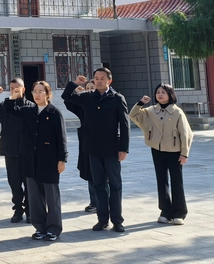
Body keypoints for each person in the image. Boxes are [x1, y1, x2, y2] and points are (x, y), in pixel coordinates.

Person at [64, 68, 130, 233]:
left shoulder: (117, 98)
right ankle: (102, 220)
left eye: (102, 78)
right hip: (93, 149)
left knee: (115, 185)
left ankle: (117, 220)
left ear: (109, 81)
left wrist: (123, 148)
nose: (99, 81)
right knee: (98, 184)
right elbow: (67, 97)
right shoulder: (87, 97)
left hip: (112, 149)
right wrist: (75, 84)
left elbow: (125, 125)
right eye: (96, 78)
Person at [3, 81, 67, 242]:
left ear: (48, 94)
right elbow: (8, 110)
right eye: (35, 91)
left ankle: (53, 228)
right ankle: (40, 227)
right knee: (34, 197)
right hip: (30, 160)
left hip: (49, 160)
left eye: (41, 91)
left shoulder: (54, 113)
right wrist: (13, 97)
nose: (37, 95)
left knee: (52, 197)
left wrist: (62, 159)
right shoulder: (27, 111)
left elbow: (61, 138)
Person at [130, 83, 194, 225]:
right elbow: (133, 115)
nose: (160, 94)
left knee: (177, 181)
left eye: (163, 92)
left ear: (170, 95)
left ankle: (179, 213)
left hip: (175, 151)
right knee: (161, 180)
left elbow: (186, 133)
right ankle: (165, 212)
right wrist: (140, 103)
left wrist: (184, 153)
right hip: (157, 149)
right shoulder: (151, 110)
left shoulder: (177, 112)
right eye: (158, 92)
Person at [0, 78, 35, 223]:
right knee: (14, 182)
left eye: (17, 88)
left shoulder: (31, 106)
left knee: (28, 182)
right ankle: (18, 209)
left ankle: (30, 209)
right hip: (10, 149)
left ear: (23, 89)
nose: (15, 90)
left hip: (27, 151)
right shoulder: (4, 106)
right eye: (12, 88)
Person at [62, 81, 101, 214]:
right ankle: (94, 202)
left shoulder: (105, 102)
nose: (89, 90)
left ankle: (104, 202)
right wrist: (74, 89)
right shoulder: (82, 106)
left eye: (92, 88)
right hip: (87, 144)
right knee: (90, 174)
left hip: (103, 144)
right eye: (87, 88)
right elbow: (67, 100)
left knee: (103, 175)